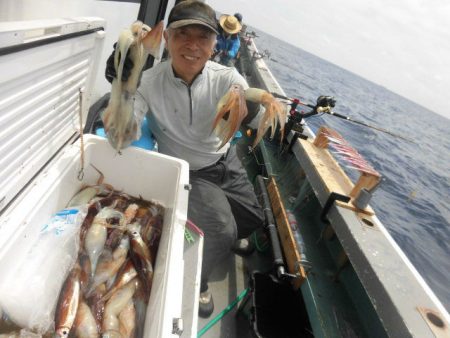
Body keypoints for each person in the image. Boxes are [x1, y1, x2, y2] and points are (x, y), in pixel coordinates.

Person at [105, 0, 264, 318]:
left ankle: (214, 238)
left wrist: (253, 107)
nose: (192, 45)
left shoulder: (226, 77)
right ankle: (197, 281)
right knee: (221, 229)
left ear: (214, 44)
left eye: (203, 37)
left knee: (254, 219)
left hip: (226, 160)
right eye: (182, 35)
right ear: (167, 39)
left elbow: (253, 112)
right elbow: (120, 135)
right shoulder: (149, 83)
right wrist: (122, 86)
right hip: (191, 171)